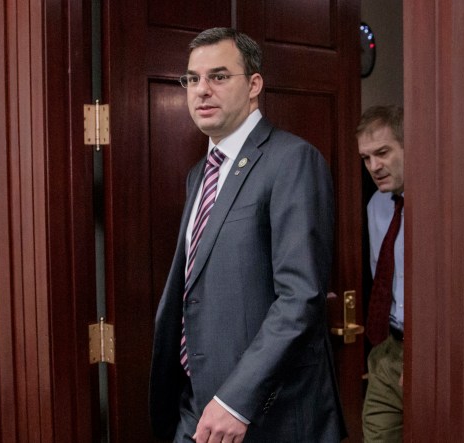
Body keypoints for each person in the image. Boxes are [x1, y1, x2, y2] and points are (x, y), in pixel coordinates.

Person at [149, 27, 346, 442]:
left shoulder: (292, 161)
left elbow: (301, 297)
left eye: (219, 76)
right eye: (192, 79)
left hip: (262, 412)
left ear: (254, 85)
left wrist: (236, 399)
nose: (202, 90)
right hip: (195, 404)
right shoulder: (198, 175)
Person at [356, 105, 405, 442]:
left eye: (383, 152)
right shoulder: (377, 206)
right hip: (388, 348)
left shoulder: (442, 205)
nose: (374, 166)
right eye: (366, 157)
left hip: (429, 350)